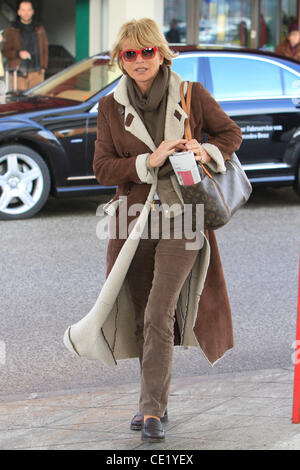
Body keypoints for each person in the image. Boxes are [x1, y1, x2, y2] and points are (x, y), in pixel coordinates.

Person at [64, 17, 242, 443]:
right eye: (130, 53)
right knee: (143, 312)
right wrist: (150, 160)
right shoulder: (110, 107)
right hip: (134, 221)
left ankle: (150, 413)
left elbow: (230, 134)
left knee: (160, 310)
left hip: (185, 217)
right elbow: (103, 168)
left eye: (147, 51)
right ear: (119, 61)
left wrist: (205, 148)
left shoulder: (190, 94)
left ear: (161, 53)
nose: (140, 60)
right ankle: (154, 400)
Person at [2, 0, 48, 91]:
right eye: (23, 10)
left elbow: (45, 49)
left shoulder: (39, 29)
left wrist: (44, 67)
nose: (26, 13)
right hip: (19, 73)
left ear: (32, 12)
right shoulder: (12, 30)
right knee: (21, 100)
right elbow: (5, 51)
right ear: (19, 12)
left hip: (37, 72)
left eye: (28, 10)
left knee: (37, 100)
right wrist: (18, 53)